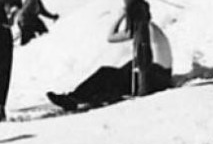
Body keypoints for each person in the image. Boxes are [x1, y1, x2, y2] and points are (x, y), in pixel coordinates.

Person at [47, 13, 175, 112]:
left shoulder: (147, 30)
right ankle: (85, 97)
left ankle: (76, 98)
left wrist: (121, 15)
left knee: (107, 74)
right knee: (111, 74)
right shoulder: (147, 29)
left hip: (156, 76)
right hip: (156, 74)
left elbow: (111, 37)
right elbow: (112, 38)